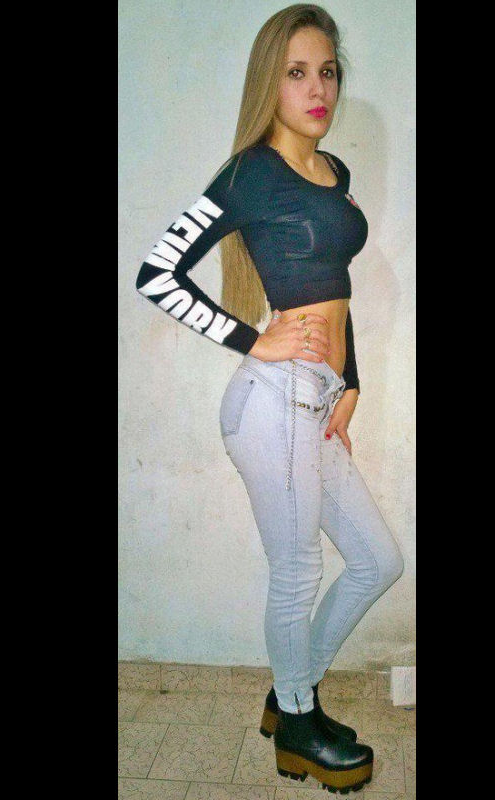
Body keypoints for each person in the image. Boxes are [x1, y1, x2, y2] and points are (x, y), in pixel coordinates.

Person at [135, 4, 404, 793]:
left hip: (318, 402)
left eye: (328, 72)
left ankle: (291, 696)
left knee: (379, 560)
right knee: (297, 570)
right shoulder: (249, 172)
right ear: (270, 83)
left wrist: (353, 383)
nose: (317, 88)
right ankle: (297, 726)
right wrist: (253, 340)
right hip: (272, 399)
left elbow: (336, 289)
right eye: (297, 73)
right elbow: (157, 272)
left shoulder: (334, 172)